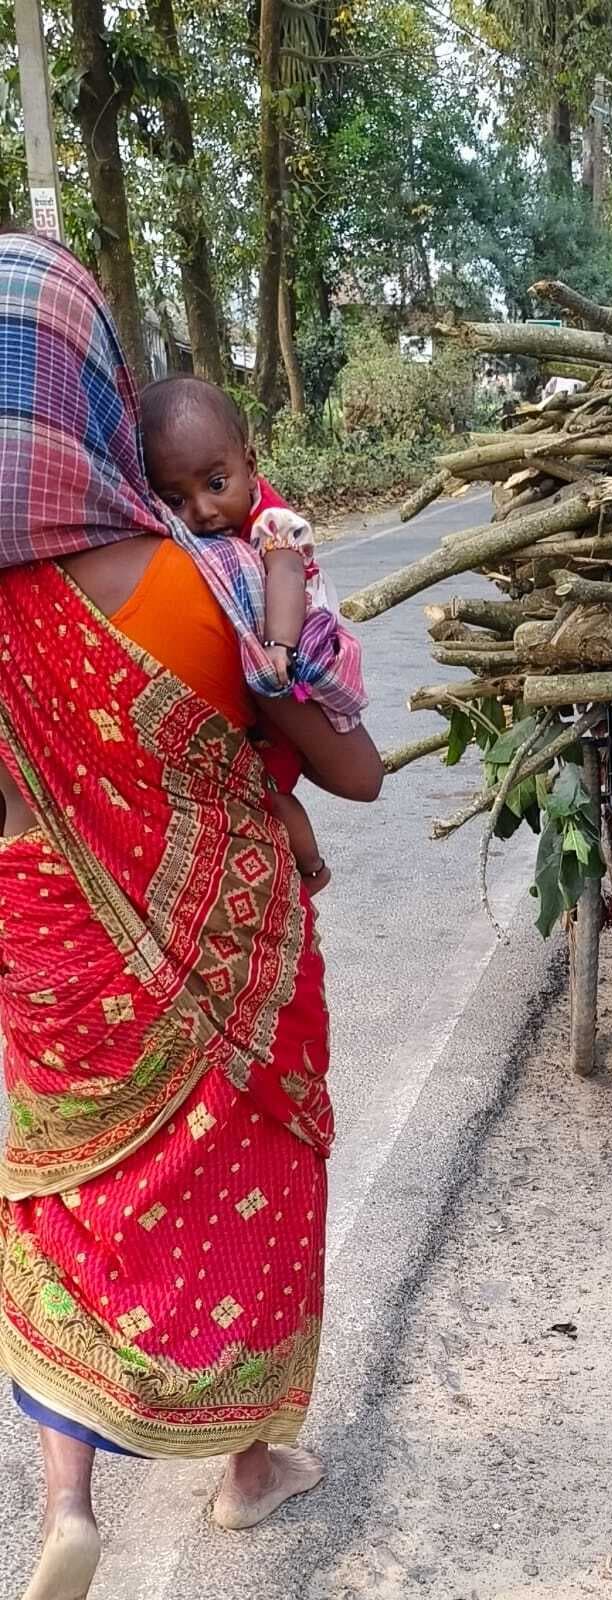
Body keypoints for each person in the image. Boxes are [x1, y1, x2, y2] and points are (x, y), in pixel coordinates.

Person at [0, 232, 382, 1600]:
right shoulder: (192, 582)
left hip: (47, 963)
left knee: (66, 1210)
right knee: (251, 1184)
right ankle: (245, 1468)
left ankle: (68, 1505)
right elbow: (350, 770)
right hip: (228, 958)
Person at [140, 375, 365, 894]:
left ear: (251, 465)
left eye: (216, 484)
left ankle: (310, 867)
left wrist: (278, 646)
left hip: (298, 669)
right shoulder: (198, 540)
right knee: (267, 794)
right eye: (175, 499)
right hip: (264, 712)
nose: (202, 510)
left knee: (281, 789)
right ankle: (310, 869)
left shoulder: (271, 519)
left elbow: (285, 573)